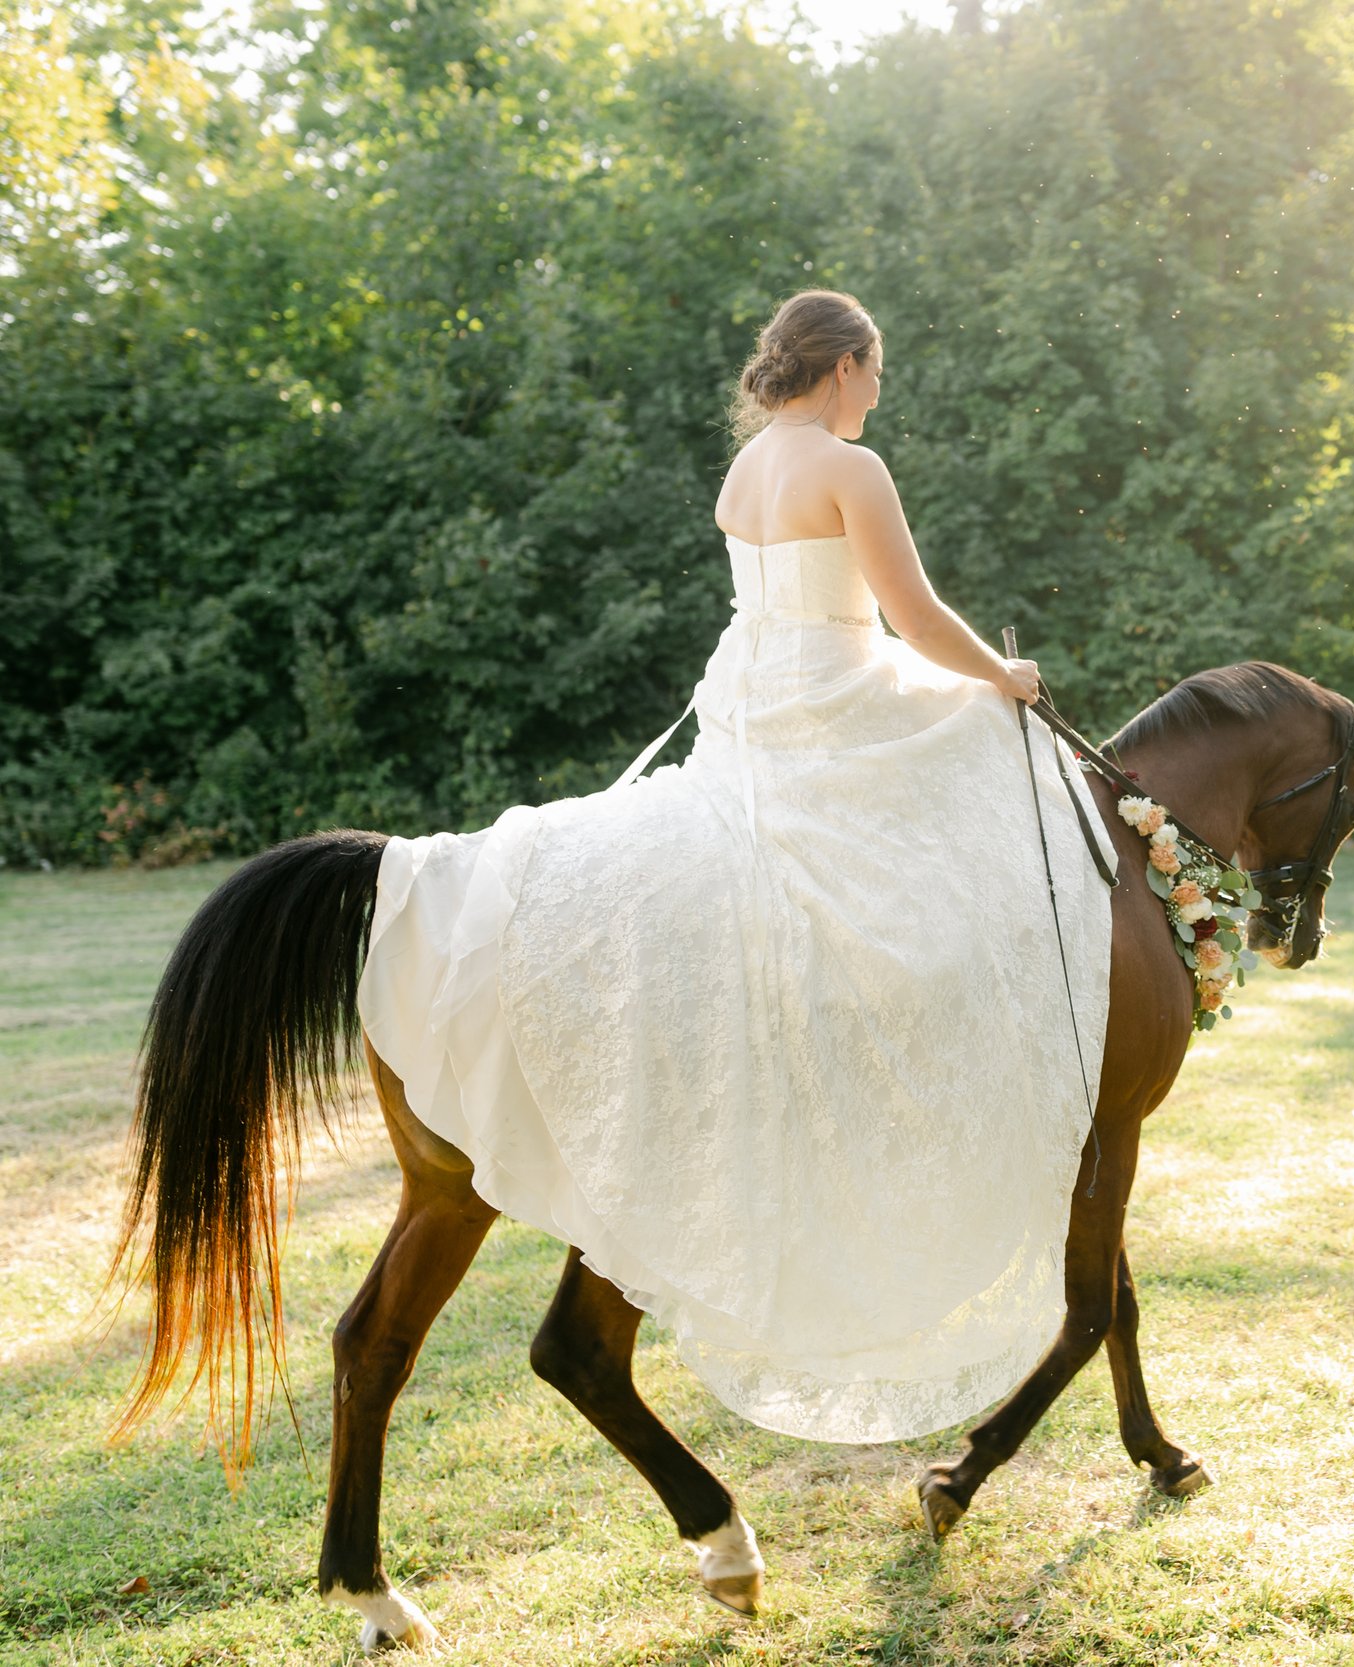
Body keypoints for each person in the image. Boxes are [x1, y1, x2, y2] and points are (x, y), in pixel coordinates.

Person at [356, 289, 1115, 1443]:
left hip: (763, 701)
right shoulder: (852, 471)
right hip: (830, 691)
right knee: (987, 759)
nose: (879, 393)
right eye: (879, 372)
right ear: (849, 365)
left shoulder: (749, 464)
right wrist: (1000, 680)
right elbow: (908, 613)